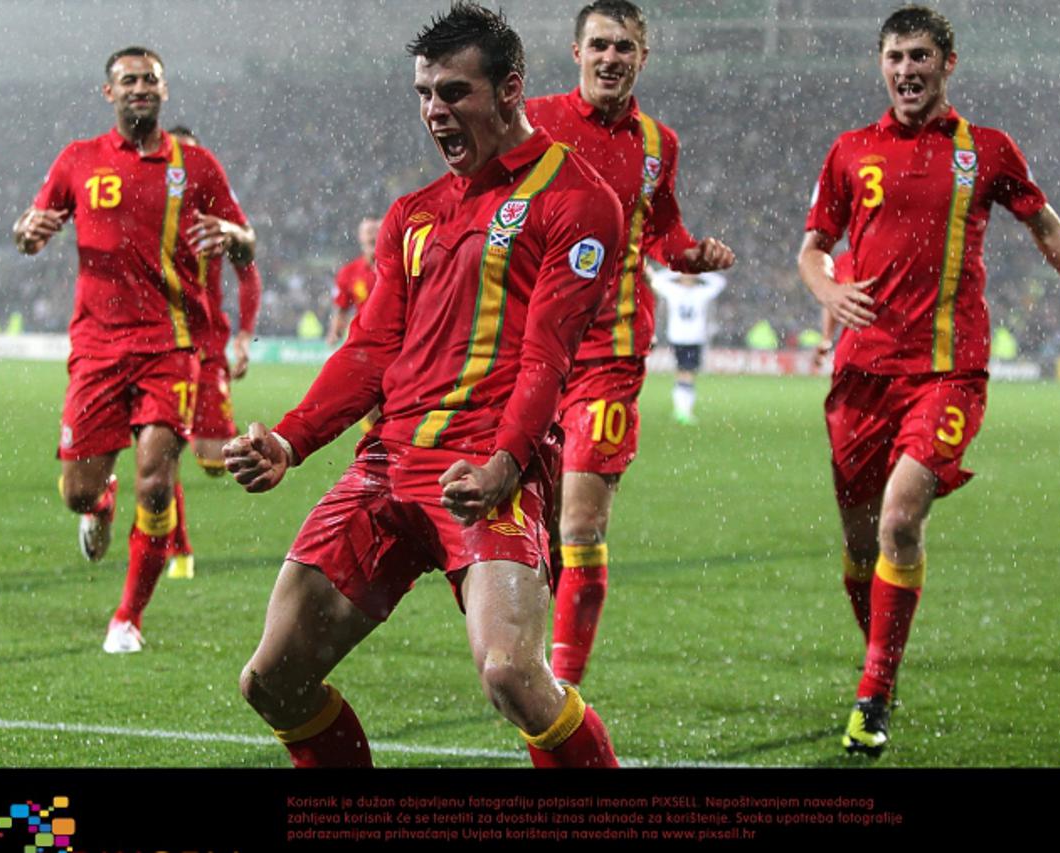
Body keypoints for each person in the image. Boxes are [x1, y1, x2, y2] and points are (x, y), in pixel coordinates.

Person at [224, 1, 623, 768]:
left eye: (454, 92)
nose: (435, 110)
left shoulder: (575, 200)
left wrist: (505, 463)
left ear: (510, 89)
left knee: (511, 674)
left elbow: (547, 355)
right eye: (424, 94)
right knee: (272, 680)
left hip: (489, 464)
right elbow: (370, 349)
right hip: (389, 463)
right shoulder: (414, 214)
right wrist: (290, 440)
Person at [799, 5, 1060, 757]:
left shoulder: (985, 150)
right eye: (895, 57)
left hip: (947, 370)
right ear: (881, 64)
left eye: (920, 57)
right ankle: (882, 660)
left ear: (947, 64)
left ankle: (873, 693)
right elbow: (813, 247)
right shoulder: (850, 150)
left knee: (900, 520)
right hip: (862, 374)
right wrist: (827, 288)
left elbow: (1045, 227)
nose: (907, 70)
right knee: (860, 541)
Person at [13, 47, 256, 653]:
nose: (140, 87)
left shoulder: (195, 165)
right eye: (129, 80)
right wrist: (27, 232)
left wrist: (232, 234)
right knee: (77, 491)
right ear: (109, 93)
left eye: (150, 79)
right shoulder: (78, 159)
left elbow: (247, 244)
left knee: (156, 483)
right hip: (97, 347)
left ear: (164, 91)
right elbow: (30, 227)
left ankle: (127, 617)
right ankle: (100, 504)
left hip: (170, 346)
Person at [526, 0, 734, 687]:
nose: (611, 58)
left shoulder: (657, 143)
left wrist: (690, 254)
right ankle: (528, 659)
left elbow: (663, 227)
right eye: (600, 45)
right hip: (529, 353)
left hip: (609, 355)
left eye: (624, 47)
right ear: (576, 52)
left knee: (582, 524)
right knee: (538, 525)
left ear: (643, 57)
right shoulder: (534, 122)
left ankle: (562, 689)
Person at [161, 125, 263, 581]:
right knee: (163, 450)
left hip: (207, 343)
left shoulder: (215, 218)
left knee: (215, 461)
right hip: (159, 346)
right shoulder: (144, 214)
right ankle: (178, 546)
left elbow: (248, 273)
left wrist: (245, 335)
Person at [651, 268, 726, 424]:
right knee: (685, 373)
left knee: (685, 372)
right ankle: (683, 411)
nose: (688, 277)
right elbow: (656, 279)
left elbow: (720, 283)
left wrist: (697, 270)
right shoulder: (675, 290)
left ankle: (681, 410)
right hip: (679, 338)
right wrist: (679, 269)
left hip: (694, 338)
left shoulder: (699, 292)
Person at [325, 217, 380, 347]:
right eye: (369, 232)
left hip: (397, 338)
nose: (373, 237)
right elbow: (341, 308)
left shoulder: (400, 267)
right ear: (360, 237)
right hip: (365, 340)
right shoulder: (349, 272)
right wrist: (335, 333)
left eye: (377, 232)